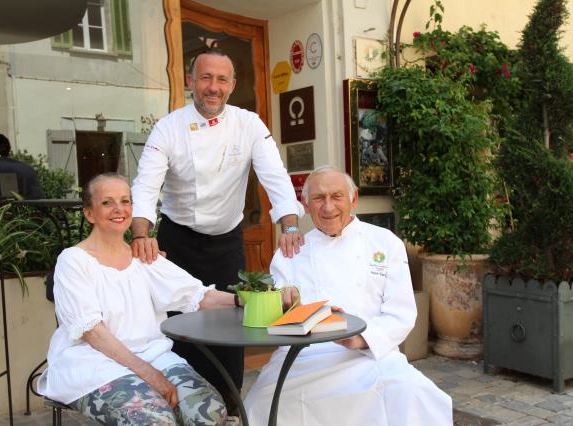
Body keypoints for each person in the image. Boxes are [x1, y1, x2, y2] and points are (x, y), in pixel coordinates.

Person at [130, 48, 304, 411]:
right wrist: (142, 234)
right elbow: (146, 185)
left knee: (230, 327)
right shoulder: (168, 127)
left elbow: (274, 175)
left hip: (227, 242)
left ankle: (227, 404)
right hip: (178, 241)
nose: (213, 87)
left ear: (232, 85)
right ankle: (182, 405)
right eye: (206, 78)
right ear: (191, 81)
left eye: (221, 79)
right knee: (182, 329)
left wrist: (289, 224)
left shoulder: (249, 123)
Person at [39, 173, 260, 425]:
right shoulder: (73, 261)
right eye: (107, 202)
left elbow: (198, 296)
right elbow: (92, 333)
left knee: (210, 413)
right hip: (94, 365)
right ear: (89, 213)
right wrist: (148, 374)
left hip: (154, 356)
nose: (119, 209)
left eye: (125, 201)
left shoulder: (143, 256)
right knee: (154, 420)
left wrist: (245, 300)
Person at [244, 166, 453, 426]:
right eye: (319, 198)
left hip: (369, 354)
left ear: (353, 199)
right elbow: (274, 317)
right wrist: (282, 302)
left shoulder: (385, 242)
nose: (328, 207)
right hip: (303, 359)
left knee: (414, 392)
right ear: (306, 205)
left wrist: (361, 339)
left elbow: (401, 313)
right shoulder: (291, 252)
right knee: (259, 403)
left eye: (337, 196)